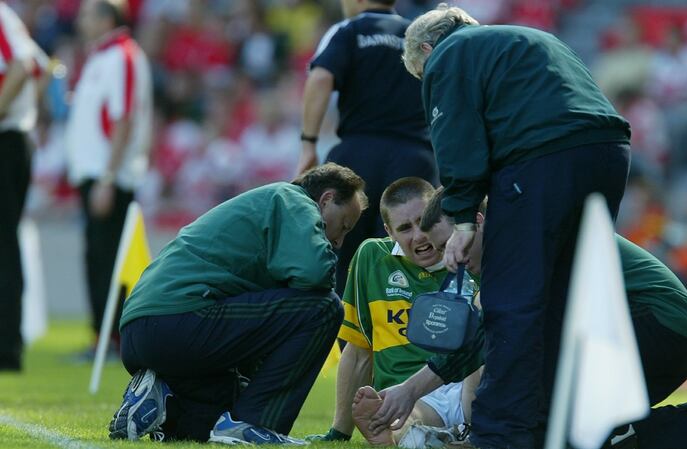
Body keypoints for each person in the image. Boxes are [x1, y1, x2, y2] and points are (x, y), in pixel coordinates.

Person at [403, 5, 632, 447]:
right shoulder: (528, 39)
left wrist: (464, 219)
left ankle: (502, 434)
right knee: (563, 301)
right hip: (608, 153)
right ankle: (557, 429)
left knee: (514, 301)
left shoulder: (449, 55)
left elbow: (458, 141)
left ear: (428, 49)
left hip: (542, 159)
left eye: (421, 74)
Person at [365, 187, 687, 449]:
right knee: (561, 427)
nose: (453, 257)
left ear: (477, 222)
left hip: (656, 324)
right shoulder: (517, 238)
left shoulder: (516, 248)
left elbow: (485, 339)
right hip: (664, 328)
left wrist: (410, 390)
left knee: (534, 414)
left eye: (454, 244)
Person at [107, 163, 367, 444]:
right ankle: (253, 424)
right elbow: (315, 272)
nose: (339, 242)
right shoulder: (293, 199)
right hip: (180, 318)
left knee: (214, 417)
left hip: (140, 334)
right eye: (342, 226)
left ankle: (163, 400)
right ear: (325, 200)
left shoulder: (266, 209)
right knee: (325, 308)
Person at [308, 178, 479, 447]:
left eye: (423, 221)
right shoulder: (372, 258)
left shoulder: (470, 253)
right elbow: (358, 350)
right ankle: (415, 437)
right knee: (407, 422)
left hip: (473, 383)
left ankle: (462, 434)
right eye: (404, 228)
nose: (419, 236)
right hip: (412, 396)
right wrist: (339, 432)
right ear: (389, 232)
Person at [298, 0, 438, 295]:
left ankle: (339, 334)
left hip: (356, 156)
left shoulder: (349, 30)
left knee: (337, 252)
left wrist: (308, 143)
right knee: (406, 259)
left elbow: (321, 77)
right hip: (415, 158)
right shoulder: (418, 34)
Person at [65, 0, 153, 359]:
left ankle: (114, 339)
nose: (80, 20)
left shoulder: (123, 57)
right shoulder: (101, 58)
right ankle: (100, 337)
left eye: (87, 13)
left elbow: (124, 118)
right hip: (95, 174)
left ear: (106, 18)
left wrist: (108, 176)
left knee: (108, 260)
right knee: (96, 257)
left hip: (109, 176)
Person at [0, 0, 50, 372]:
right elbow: (43, 66)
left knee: (3, 246)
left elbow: (22, 65)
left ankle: (7, 347)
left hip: (6, 140)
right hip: (13, 137)